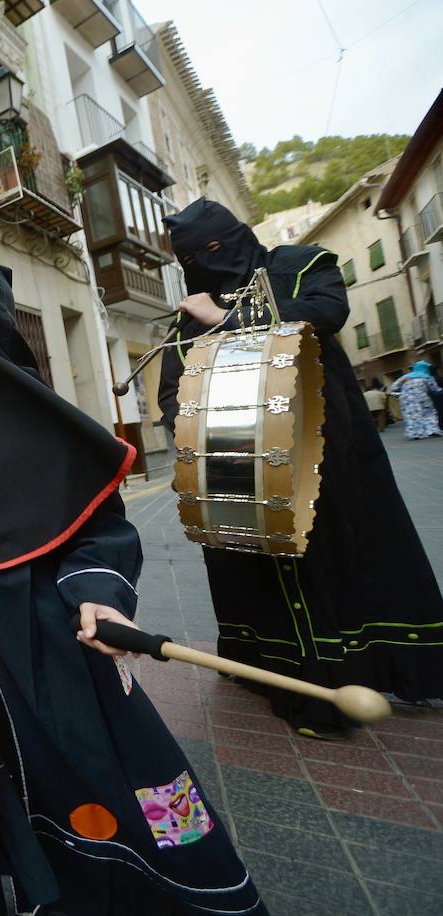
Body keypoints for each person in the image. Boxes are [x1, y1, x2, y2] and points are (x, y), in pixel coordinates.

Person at [0, 254, 266, 916]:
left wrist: (99, 595)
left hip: (51, 641)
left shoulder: (47, 427)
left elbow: (102, 532)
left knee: (109, 775)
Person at [157, 198, 443, 739]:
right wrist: (192, 433)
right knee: (257, 568)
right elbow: (175, 384)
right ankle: (280, 673)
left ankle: (357, 671)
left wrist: (228, 319)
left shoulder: (299, 266)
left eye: (215, 249)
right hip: (235, 464)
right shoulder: (188, 313)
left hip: (323, 446)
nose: (207, 262)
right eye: (193, 257)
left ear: (238, 236)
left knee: (330, 554)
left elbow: (325, 313)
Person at [389, 361, 443, 439]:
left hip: (406, 399)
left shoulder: (405, 377)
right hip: (422, 397)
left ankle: (415, 433)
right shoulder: (427, 377)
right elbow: (435, 389)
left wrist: (402, 391)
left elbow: (394, 387)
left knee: (411, 415)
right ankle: (431, 430)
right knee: (429, 413)